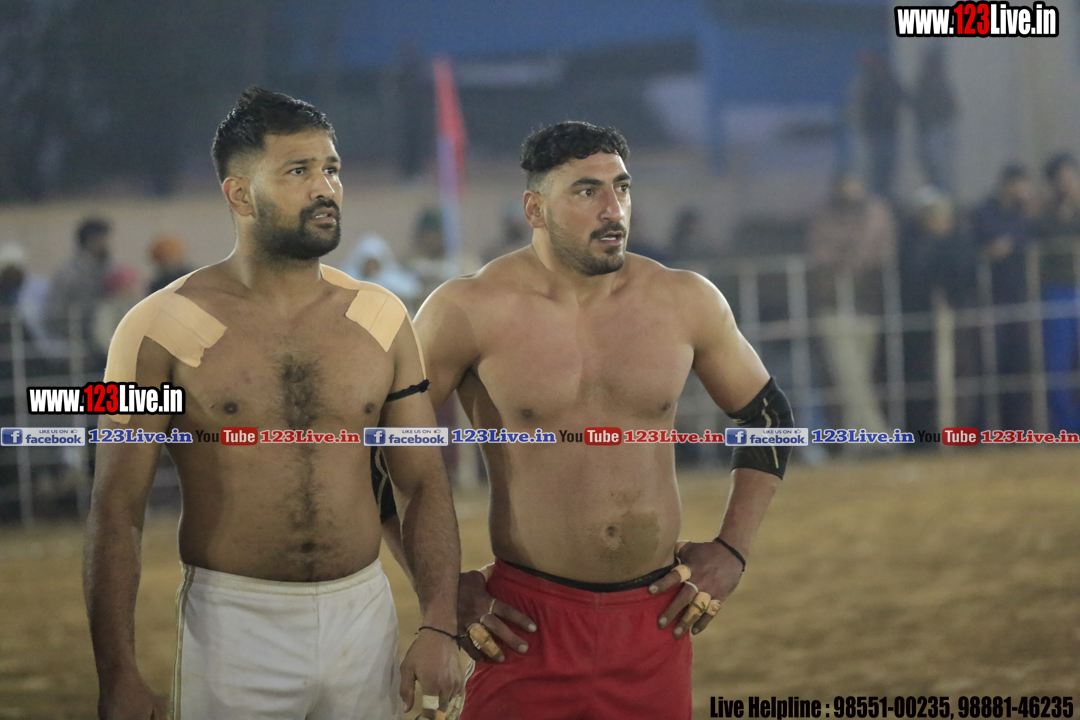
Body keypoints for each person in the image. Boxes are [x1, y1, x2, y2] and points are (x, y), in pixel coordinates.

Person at [83, 87, 462, 720]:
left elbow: (422, 481)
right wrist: (116, 673)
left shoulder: (381, 318)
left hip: (363, 615)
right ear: (239, 195)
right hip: (233, 625)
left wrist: (440, 624)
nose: (325, 188)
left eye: (331, 169)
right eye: (298, 171)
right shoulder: (154, 328)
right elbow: (116, 509)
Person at [414, 121, 792, 719]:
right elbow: (383, 449)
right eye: (587, 191)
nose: (614, 209)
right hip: (522, 624)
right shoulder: (467, 309)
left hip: (656, 619)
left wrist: (733, 549)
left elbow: (769, 415)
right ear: (535, 209)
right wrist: (439, 596)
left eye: (622, 187)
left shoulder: (684, 299)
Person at [807, 173, 896, 440]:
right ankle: (876, 435)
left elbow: (879, 251)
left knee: (860, 378)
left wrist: (849, 261)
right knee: (848, 376)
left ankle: (856, 439)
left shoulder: (876, 213)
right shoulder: (825, 218)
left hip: (867, 305)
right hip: (833, 307)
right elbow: (820, 257)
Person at [971, 163, 1039, 429]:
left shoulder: (1026, 214)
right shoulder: (983, 212)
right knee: (989, 365)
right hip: (990, 300)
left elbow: (1028, 238)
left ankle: (1015, 428)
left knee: (1019, 365)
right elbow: (980, 246)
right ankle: (985, 427)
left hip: (1021, 299)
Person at [1036, 153, 1080, 433]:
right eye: (1062, 178)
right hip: (1058, 291)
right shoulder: (1044, 215)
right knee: (1057, 364)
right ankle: (1067, 427)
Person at [43, 217, 112, 360]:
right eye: (103, 239)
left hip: (101, 336)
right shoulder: (69, 273)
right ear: (91, 240)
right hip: (75, 340)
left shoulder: (107, 269)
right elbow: (54, 313)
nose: (107, 244)